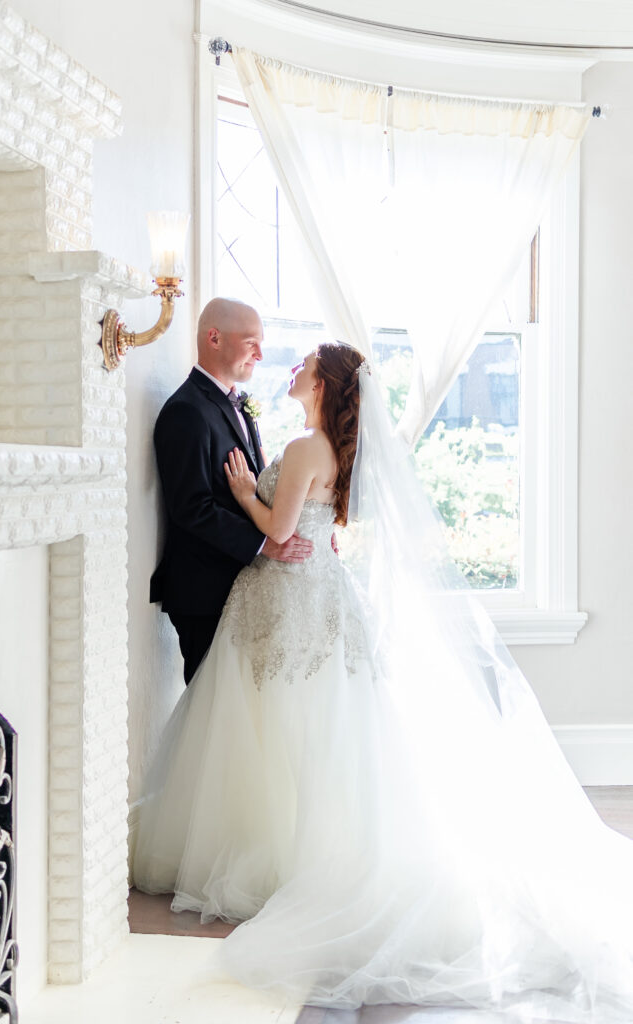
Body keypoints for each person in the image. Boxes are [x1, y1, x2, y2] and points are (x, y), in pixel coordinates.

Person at [135, 342, 633, 1022]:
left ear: (324, 383)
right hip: (306, 598)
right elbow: (314, 526)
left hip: (289, 600)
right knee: (311, 732)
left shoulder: (310, 445)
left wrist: (247, 494)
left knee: (276, 728)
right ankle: (287, 849)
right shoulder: (328, 449)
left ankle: (279, 860)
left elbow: (280, 531)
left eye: (304, 362)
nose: (291, 367)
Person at [149, 297, 312, 683]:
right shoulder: (186, 411)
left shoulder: (234, 404)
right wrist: (266, 545)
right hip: (205, 593)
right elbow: (192, 507)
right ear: (214, 338)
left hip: (238, 587)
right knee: (212, 716)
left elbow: (257, 487)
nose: (260, 353)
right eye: (251, 341)